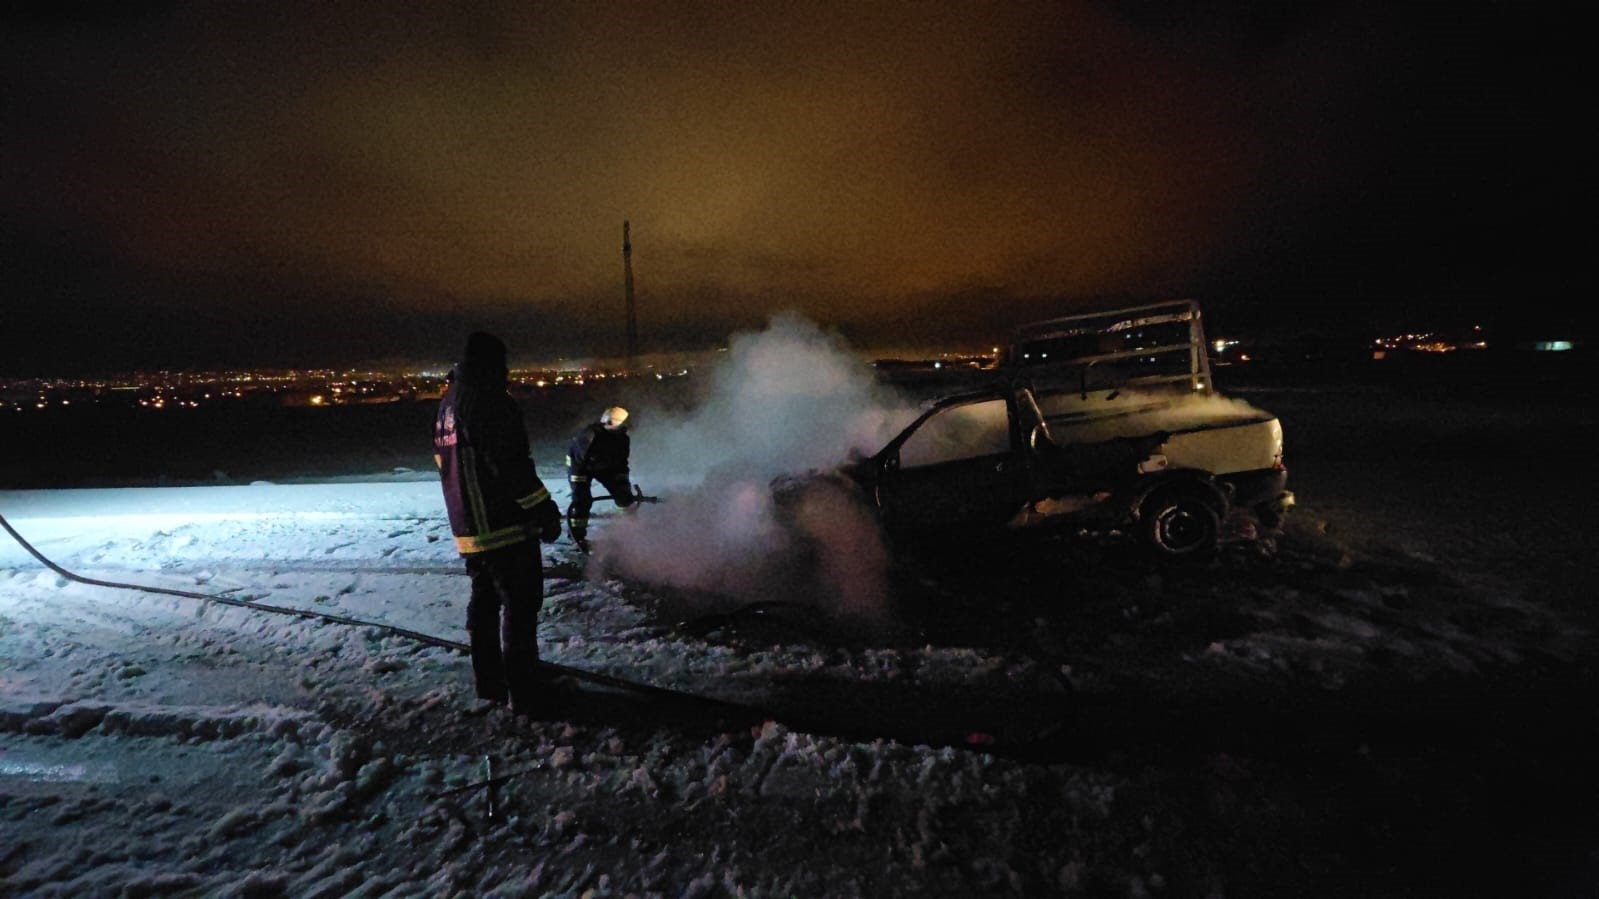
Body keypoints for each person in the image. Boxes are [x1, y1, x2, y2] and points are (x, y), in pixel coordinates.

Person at [433, 332, 563, 716]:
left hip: (470, 529)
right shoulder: (489, 402)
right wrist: (543, 509)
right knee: (520, 605)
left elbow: (446, 465)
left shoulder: (447, 403)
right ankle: (526, 691)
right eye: (502, 364)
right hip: (504, 526)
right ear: (490, 364)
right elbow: (510, 466)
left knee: (485, 604)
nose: (506, 373)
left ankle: (490, 682)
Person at [564, 405, 635, 552]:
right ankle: (577, 535)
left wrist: (622, 480)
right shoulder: (589, 436)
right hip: (580, 466)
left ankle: (629, 527)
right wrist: (581, 481)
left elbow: (622, 461)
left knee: (623, 495)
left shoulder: (622, 439)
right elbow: (581, 459)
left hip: (604, 466)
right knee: (582, 500)